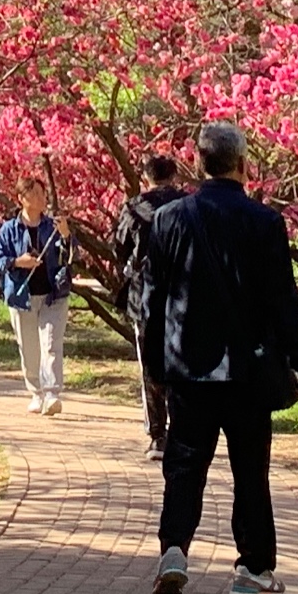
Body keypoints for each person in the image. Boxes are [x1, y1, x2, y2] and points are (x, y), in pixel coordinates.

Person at [130, 121, 298, 594]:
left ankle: (174, 550)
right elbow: (285, 303)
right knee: (249, 471)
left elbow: (150, 301)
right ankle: (253, 569)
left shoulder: (168, 220)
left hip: (188, 370)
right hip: (247, 371)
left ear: (199, 165)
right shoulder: (264, 223)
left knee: (184, 465)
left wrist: (155, 367)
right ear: (244, 165)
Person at [109, 153, 188, 464]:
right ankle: (183, 430)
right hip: (184, 294)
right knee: (182, 361)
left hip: (144, 295)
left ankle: (158, 434)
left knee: (150, 364)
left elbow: (118, 247)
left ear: (147, 177)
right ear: (174, 176)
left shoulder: (134, 207)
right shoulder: (187, 205)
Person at [0, 199, 72, 414]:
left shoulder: (52, 226)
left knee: (51, 343)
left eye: (40, 193)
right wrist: (17, 262)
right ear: (21, 198)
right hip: (22, 296)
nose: (39, 197)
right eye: (33, 193)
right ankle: (36, 392)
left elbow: (70, 256)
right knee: (29, 348)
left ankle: (52, 393)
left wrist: (65, 235)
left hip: (53, 295)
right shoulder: (9, 229)